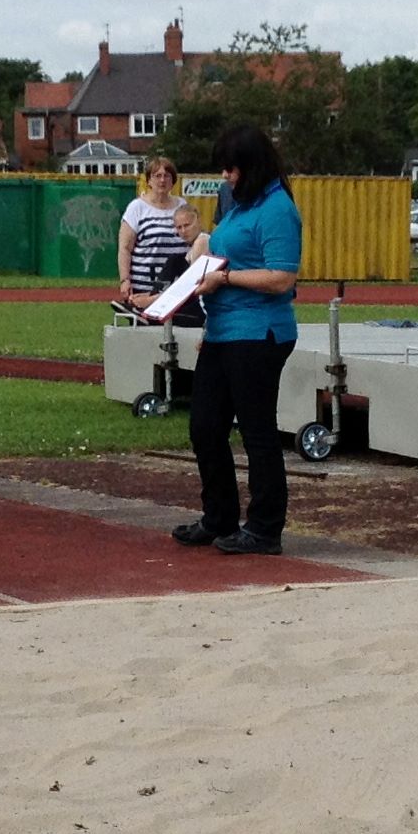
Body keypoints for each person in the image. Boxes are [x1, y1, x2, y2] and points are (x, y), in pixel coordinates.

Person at [174, 125, 301, 556]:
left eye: (232, 169)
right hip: (223, 330)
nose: (226, 176)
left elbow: (281, 277)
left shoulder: (277, 209)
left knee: (256, 430)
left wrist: (225, 278)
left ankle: (265, 527)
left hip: (259, 332)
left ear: (253, 166)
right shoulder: (238, 204)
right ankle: (219, 517)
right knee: (205, 426)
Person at [116, 156, 187, 312]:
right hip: (144, 287)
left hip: (176, 288)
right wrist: (124, 280)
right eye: (157, 176)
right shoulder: (137, 208)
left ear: (173, 181)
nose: (162, 180)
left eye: (167, 176)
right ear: (148, 180)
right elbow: (125, 248)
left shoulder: (182, 206)